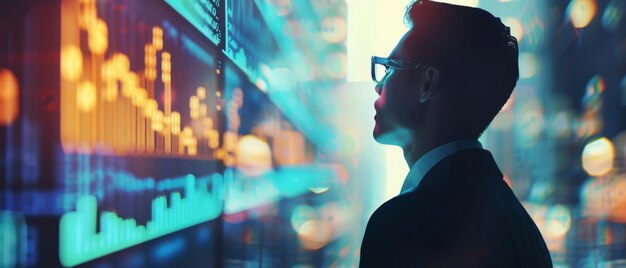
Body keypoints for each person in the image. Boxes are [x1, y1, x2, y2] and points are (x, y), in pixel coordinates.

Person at [360, 1, 553, 267]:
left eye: (391, 67)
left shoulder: (401, 224)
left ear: (427, 83)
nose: (379, 86)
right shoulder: (524, 230)